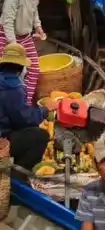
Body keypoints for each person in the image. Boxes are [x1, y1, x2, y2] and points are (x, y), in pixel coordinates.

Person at [0, 44, 56, 173]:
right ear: (20, 68)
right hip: (3, 137)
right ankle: (19, 174)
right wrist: (46, 109)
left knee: (31, 130)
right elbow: (25, 119)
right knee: (40, 136)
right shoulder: (12, 87)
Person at [0, 0, 45, 102]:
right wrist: (13, 44)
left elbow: (34, 9)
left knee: (34, 70)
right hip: (7, 36)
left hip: (25, 36)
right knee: (6, 72)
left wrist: (37, 25)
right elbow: (7, 21)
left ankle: (26, 102)